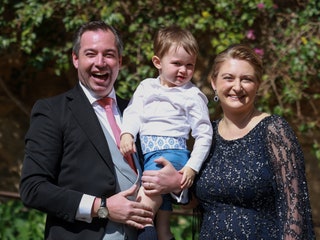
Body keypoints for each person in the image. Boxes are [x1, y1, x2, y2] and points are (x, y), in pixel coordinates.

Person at [19, 20, 184, 240]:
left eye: (108, 54)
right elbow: (33, 188)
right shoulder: (52, 111)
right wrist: (101, 207)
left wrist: (176, 185)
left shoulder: (141, 111)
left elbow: (167, 177)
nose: (100, 62)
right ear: (76, 59)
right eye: (90, 54)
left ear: (119, 61)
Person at [193, 44, 315, 239]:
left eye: (246, 79)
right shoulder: (206, 134)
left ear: (257, 85)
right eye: (228, 78)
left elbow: (294, 208)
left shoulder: (274, 130)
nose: (237, 86)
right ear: (214, 82)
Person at [119, 26, 212, 240]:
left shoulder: (192, 95)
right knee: (162, 219)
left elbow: (204, 134)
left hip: (169, 154)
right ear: (157, 62)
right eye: (177, 63)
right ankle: (163, 234)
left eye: (190, 65)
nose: (183, 70)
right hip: (147, 153)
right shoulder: (146, 87)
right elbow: (133, 112)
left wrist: (191, 167)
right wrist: (127, 134)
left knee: (143, 208)